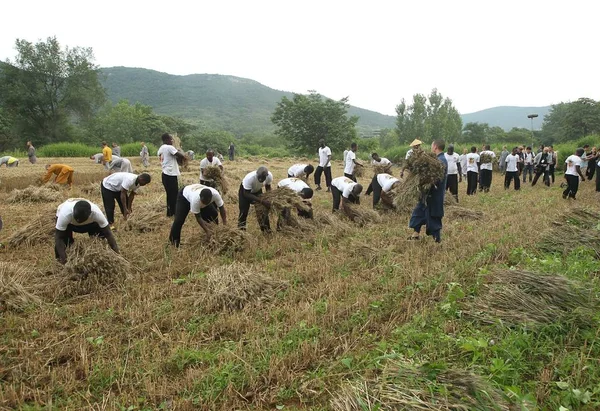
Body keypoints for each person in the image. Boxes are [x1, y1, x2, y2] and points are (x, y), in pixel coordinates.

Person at [54, 199, 119, 264]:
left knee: (99, 240)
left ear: (90, 214)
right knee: (66, 242)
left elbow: (108, 234)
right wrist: (64, 261)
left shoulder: (96, 213)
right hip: (69, 224)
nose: (78, 220)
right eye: (76, 218)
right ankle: (60, 261)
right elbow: (59, 238)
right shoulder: (65, 214)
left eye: (80, 219)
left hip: (90, 224)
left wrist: (117, 254)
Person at [409, 140, 448, 243]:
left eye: (432, 146)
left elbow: (435, 179)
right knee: (418, 212)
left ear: (435, 147)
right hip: (427, 193)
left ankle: (437, 240)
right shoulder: (436, 159)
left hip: (434, 194)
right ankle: (415, 234)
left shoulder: (441, 160)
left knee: (433, 217)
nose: (431, 148)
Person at [158, 133, 185, 217]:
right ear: (166, 140)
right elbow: (181, 156)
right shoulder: (169, 147)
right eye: (170, 139)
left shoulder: (161, 148)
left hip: (165, 174)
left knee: (169, 195)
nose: (172, 141)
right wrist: (180, 151)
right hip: (170, 174)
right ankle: (174, 212)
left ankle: (170, 213)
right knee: (174, 195)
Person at [238, 166, 273, 231]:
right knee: (244, 211)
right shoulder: (250, 178)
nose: (260, 180)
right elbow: (246, 194)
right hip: (245, 191)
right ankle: (241, 231)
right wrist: (262, 201)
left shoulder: (269, 176)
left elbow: (268, 188)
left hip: (257, 190)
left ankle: (266, 230)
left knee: (261, 210)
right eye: (259, 177)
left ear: (266, 176)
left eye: (262, 178)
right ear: (257, 174)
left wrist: (268, 198)